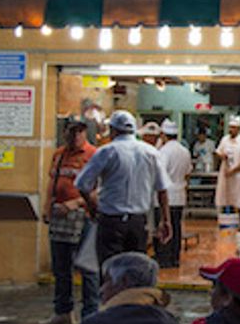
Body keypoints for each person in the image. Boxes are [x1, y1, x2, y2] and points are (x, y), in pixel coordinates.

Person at [74, 110, 173, 268]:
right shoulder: (151, 153)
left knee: (110, 271)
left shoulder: (107, 152)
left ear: (113, 130)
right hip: (138, 223)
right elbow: (162, 190)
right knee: (135, 271)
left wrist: (93, 207)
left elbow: (82, 184)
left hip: (110, 221)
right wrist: (165, 220)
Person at [40, 120, 99, 324]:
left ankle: (90, 315)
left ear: (85, 134)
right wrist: (47, 206)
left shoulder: (94, 154)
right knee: (61, 267)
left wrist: (76, 203)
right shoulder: (59, 154)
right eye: (71, 133)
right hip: (59, 216)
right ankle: (62, 313)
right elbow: (52, 183)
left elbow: (99, 189)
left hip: (83, 217)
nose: (74, 137)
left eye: (79, 133)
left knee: (88, 268)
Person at [156, 119, 192, 269]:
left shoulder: (164, 151)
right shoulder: (184, 150)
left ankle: (164, 260)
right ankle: (175, 259)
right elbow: (188, 172)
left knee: (165, 227)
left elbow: (160, 175)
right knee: (176, 228)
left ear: (163, 135)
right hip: (180, 195)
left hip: (167, 197)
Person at [215, 116, 240, 229]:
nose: (231, 130)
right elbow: (217, 152)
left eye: (234, 128)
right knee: (224, 198)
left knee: (239, 202)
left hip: (238, 176)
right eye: (230, 127)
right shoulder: (225, 139)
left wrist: (233, 171)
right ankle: (224, 223)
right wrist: (222, 156)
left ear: (238, 129)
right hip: (225, 175)